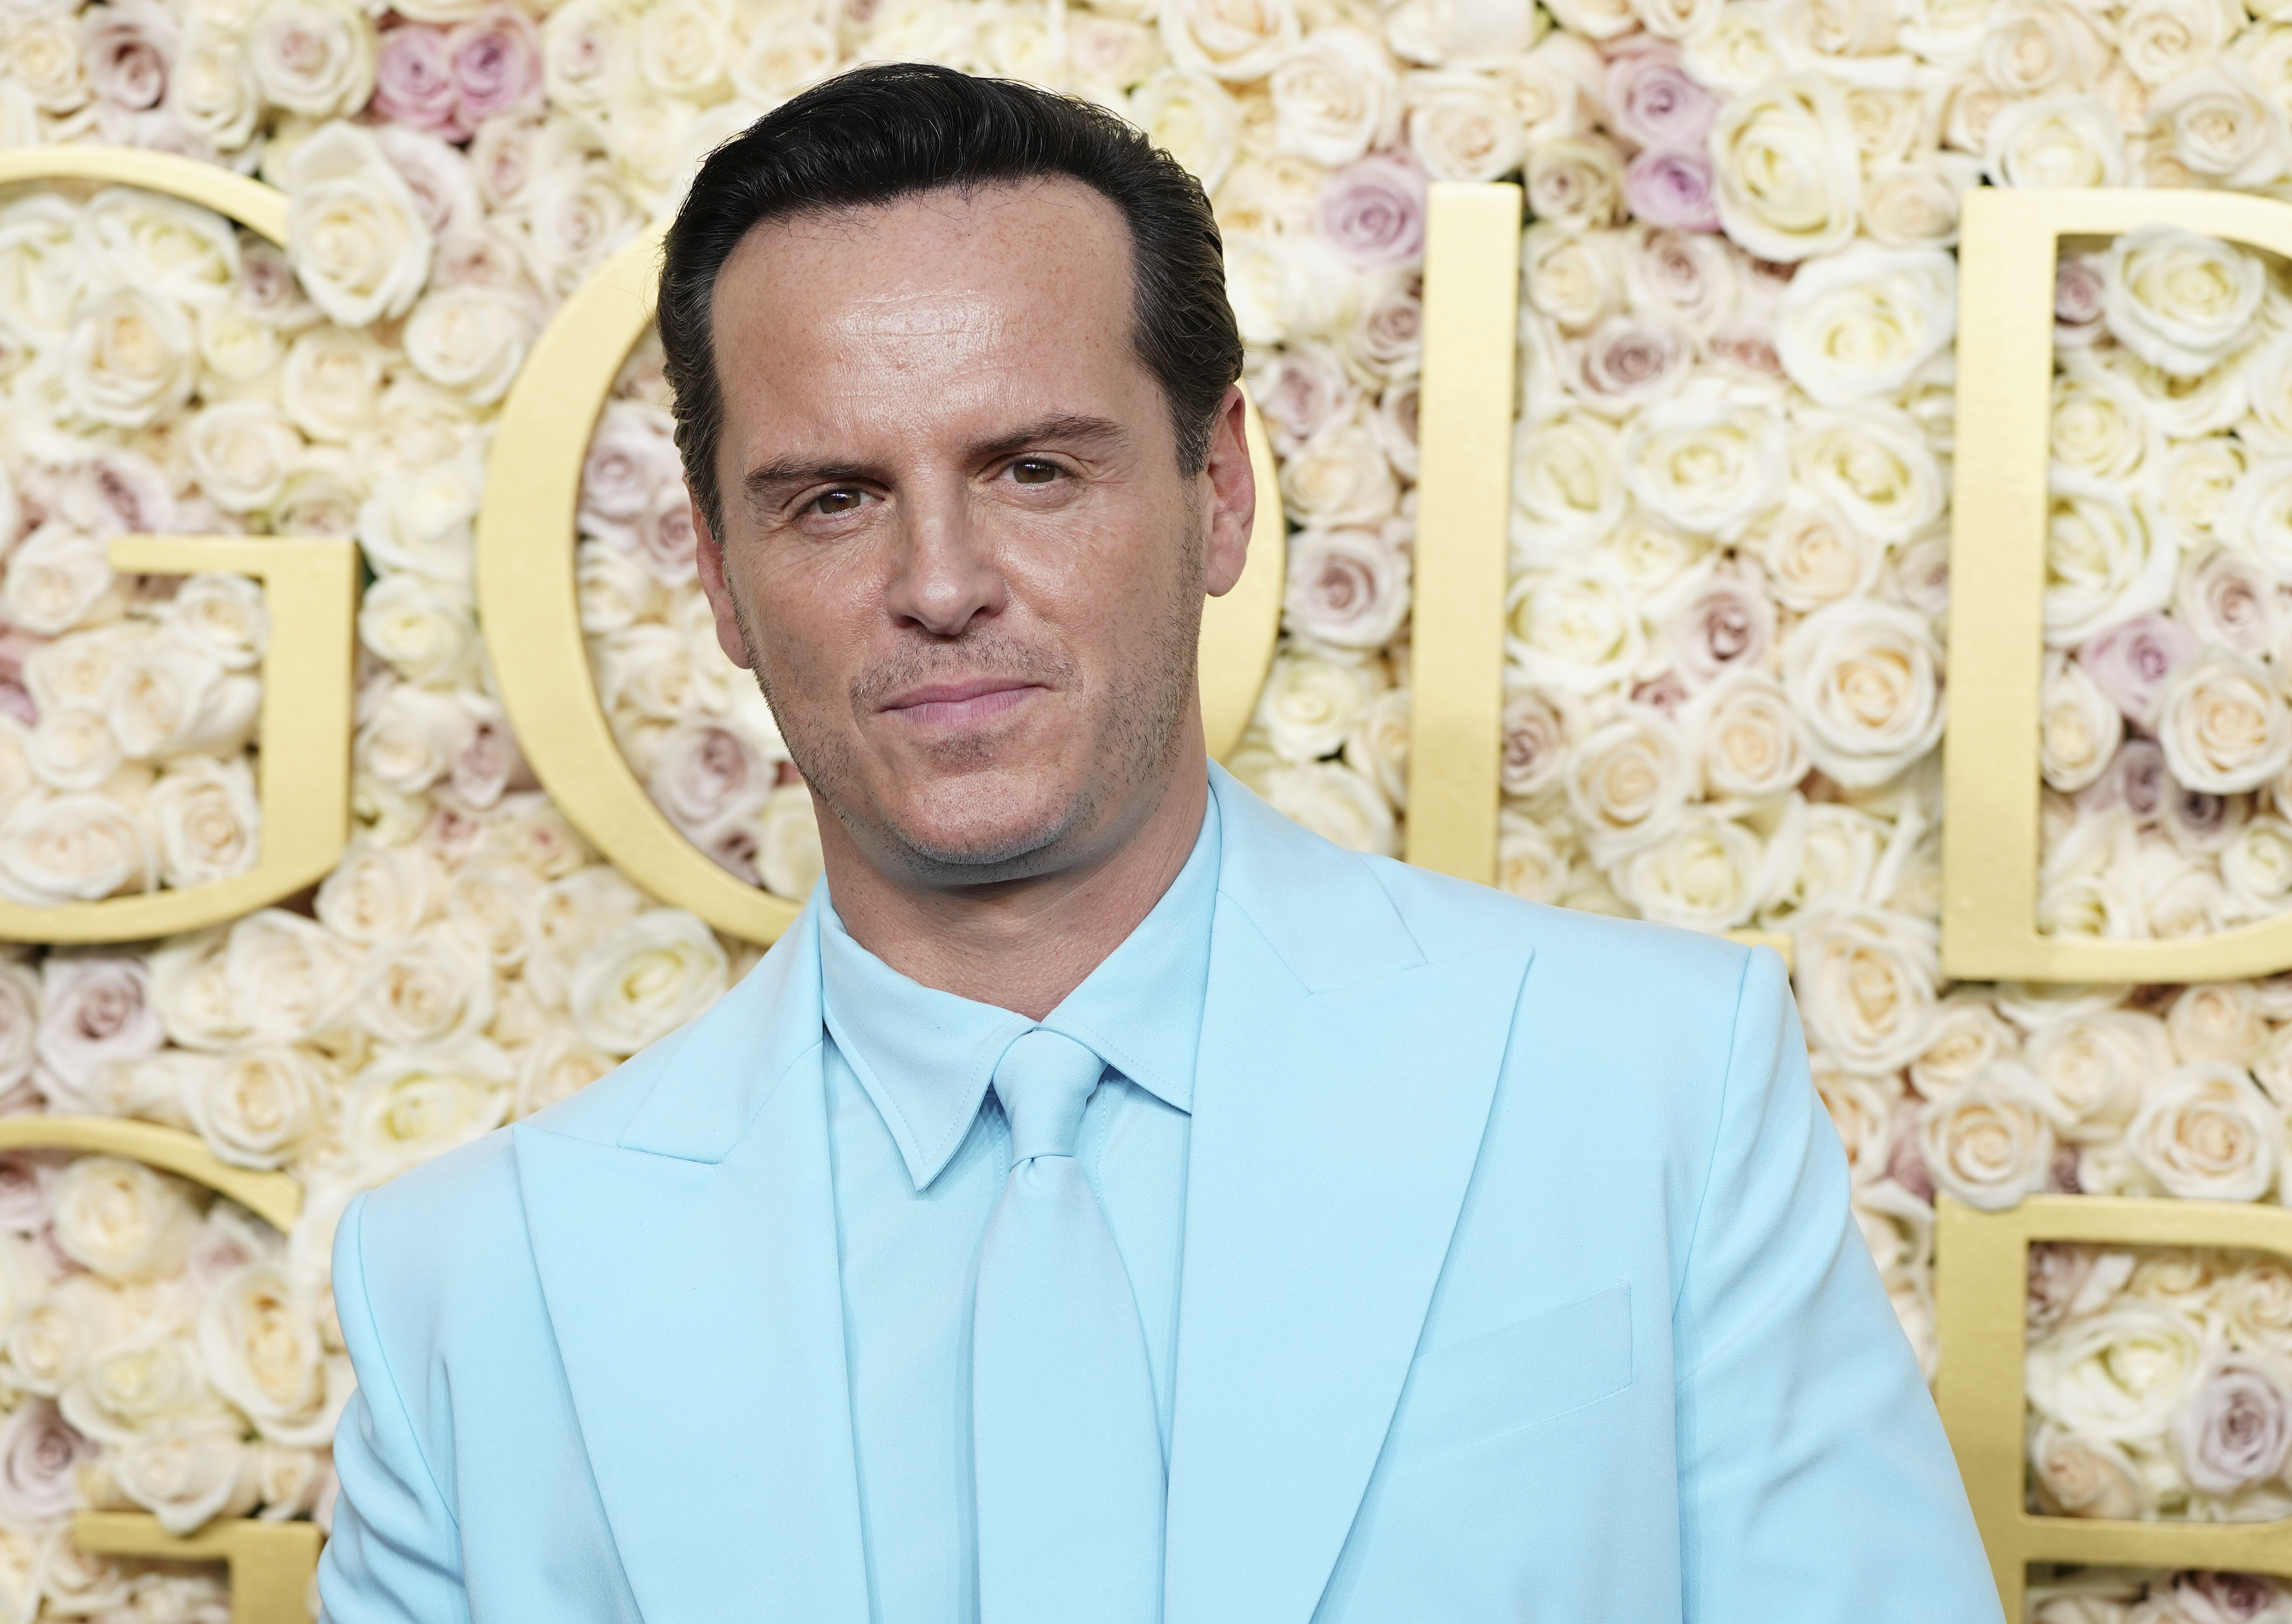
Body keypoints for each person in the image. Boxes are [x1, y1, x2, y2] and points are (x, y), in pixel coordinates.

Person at [318, 63, 2000, 1624]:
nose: (942, 578)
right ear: (717, 574)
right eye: (831, 496)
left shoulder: (1652, 1089)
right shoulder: (469, 1287)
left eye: (1034, 467)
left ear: (1220, 492)